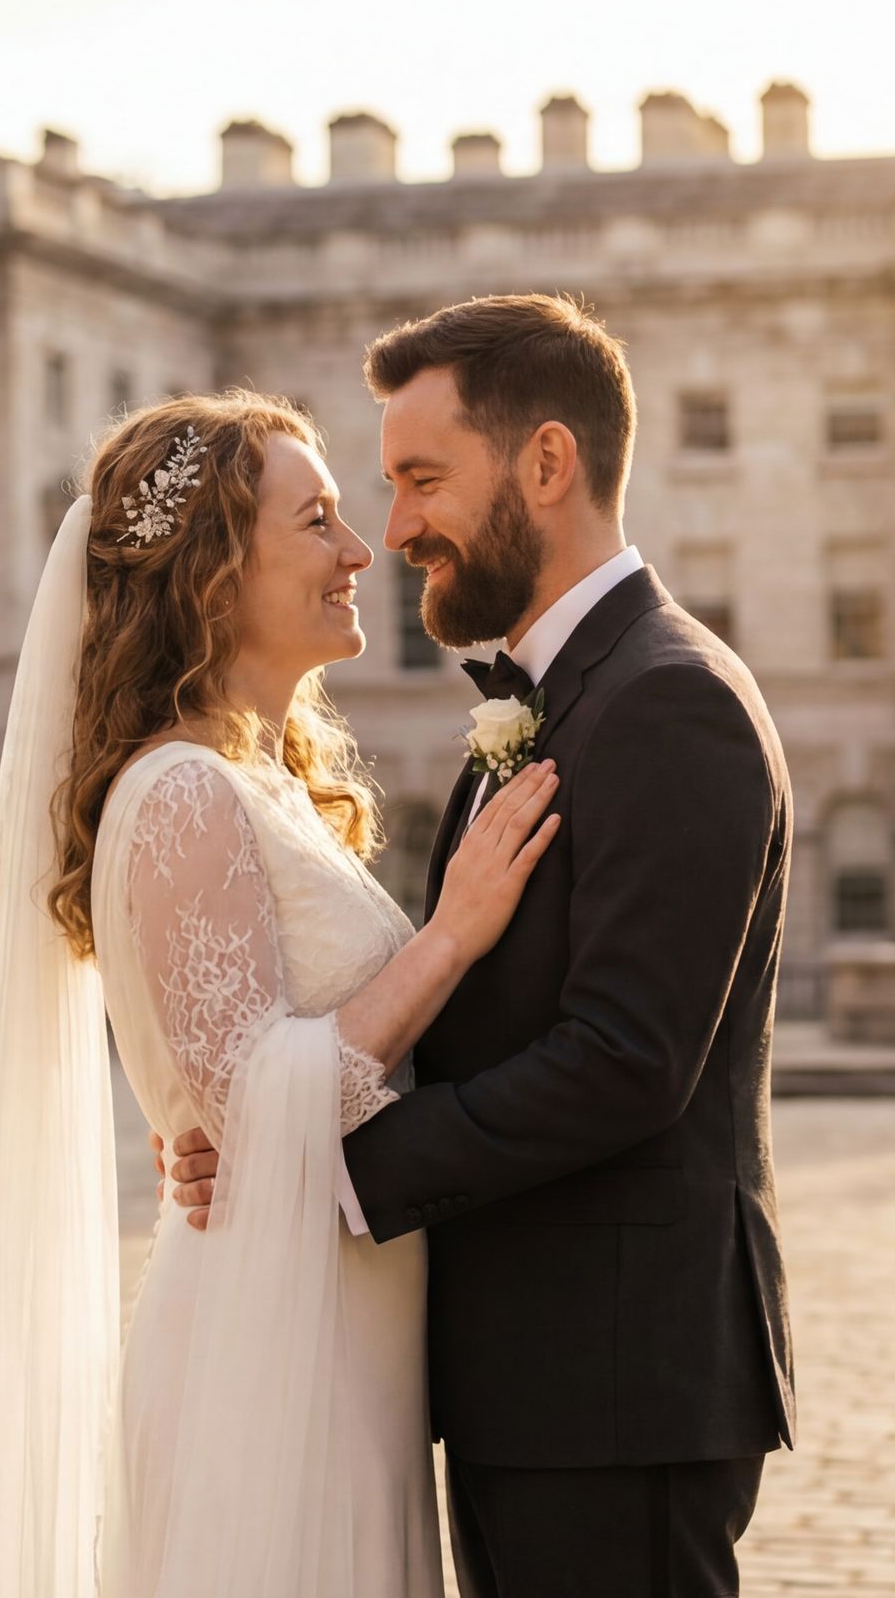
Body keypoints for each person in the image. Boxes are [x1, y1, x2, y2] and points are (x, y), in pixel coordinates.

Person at [164, 294, 797, 1597]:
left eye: (421, 480)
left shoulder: (669, 699)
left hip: (616, 1380)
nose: (394, 532)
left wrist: (331, 1168)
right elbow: (483, 1009)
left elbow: (626, 1057)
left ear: (548, 464)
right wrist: (270, 1105)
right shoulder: (562, 696)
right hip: (542, 1372)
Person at [0, 387, 560, 1597]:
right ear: (215, 574)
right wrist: (454, 935)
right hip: (269, 1361)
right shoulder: (180, 794)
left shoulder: (251, 781)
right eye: (317, 522)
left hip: (332, 1330)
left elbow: (247, 1087)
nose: (360, 549)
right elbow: (260, 1112)